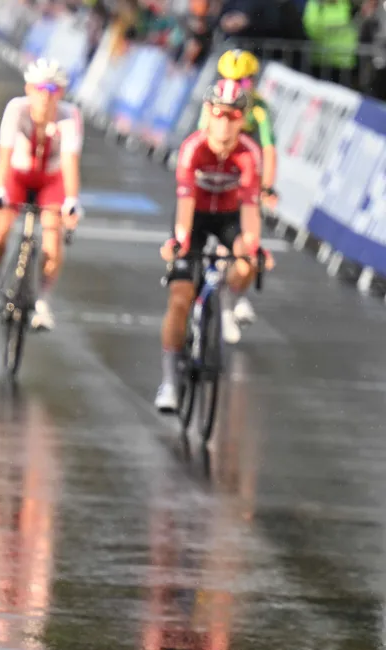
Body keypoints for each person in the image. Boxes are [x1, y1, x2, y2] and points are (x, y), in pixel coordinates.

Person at [154, 80, 272, 412]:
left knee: (247, 263)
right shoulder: (193, 149)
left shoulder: (249, 153)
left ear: (242, 120)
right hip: (195, 218)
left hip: (229, 219)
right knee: (179, 299)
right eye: (218, 114)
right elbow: (185, 206)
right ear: (207, 113)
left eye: (233, 116)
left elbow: (250, 209)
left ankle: (224, 298)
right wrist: (179, 241)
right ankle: (168, 382)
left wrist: (251, 246)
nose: (224, 123)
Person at [0, 58, 82, 332]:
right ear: (28, 89)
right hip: (18, 176)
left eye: (52, 90)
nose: (45, 96)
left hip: (50, 180)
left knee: (52, 238)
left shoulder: (70, 115)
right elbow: (5, 157)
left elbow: (70, 163)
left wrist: (72, 201)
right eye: (40, 88)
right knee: (0, 230)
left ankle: (43, 301)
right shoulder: (16, 109)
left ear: (60, 93)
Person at [197, 48, 277, 331]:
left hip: (245, 173)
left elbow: (268, 150)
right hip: (217, 173)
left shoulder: (259, 108)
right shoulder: (214, 100)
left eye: (243, 82)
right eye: (229, 79)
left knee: (247, 239)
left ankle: (237, 294)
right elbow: (201, 140)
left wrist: (267, 187)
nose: (235, 86)